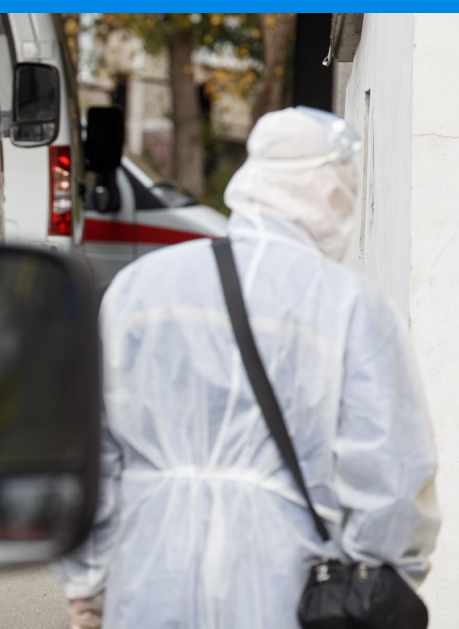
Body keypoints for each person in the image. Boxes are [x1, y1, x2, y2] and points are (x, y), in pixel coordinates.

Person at [52, 107, 440, 629]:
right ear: (330, 191)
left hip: (148, 585)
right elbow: (392, 476)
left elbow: (87, 451)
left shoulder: (137, 289)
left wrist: (88, 582)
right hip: (289, 593)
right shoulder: (350, 306)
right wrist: (378, 577)